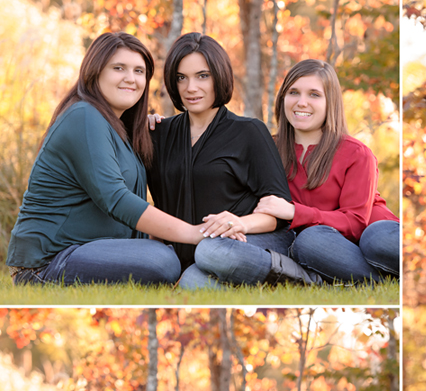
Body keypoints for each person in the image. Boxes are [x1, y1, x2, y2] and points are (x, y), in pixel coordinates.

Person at [6, 32, 207, 286]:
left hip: (86, 250)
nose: (130, 79)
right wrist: (192, 233)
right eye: (118, 68)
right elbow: (117, 199)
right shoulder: (84, 116)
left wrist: (156, 132)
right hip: (47, 263)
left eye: (139, 71)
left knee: (166, 254)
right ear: (95, 72)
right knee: (161, 261)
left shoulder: (120, 128)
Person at [147, 33, 321, 288]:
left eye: (202, 76)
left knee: (210, 251)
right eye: (181, 78)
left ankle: (303, 281)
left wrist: (238, 222)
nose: (190, 88)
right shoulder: (158, 134)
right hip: (189, 254)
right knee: (193, 282)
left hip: (250, 240)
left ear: (219, 76)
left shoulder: (249, 131)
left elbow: (278, 213)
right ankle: (237, 281)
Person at [251, 59, 400, 284]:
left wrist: (294, 212)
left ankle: (391, 278)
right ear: (283, 98)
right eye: (293, 92)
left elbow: (355, 224)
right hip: (322, 246)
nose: (301, 102)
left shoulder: (357, 153)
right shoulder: (269, 150)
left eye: (314, 94)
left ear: (330, 103)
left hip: (373, 235)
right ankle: (371, 280)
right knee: (309, 242)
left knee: (373, 240)